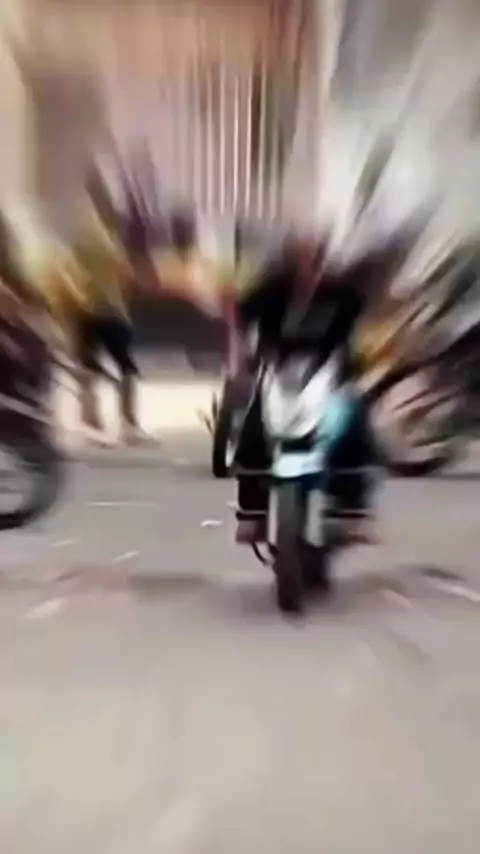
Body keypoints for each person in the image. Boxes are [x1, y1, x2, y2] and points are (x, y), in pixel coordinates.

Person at [233, 230, 414, 546]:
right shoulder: (271, 290)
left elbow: (367, 320)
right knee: (252, 425)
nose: (309, 268)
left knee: (355, 420)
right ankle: (252, 513)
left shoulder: (341, 293)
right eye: (303, 259)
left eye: (315, 260)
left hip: (329, 370)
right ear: (293, 260)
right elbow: (239, 316)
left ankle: (352, 510)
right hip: (278, 369)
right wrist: (240, 355)